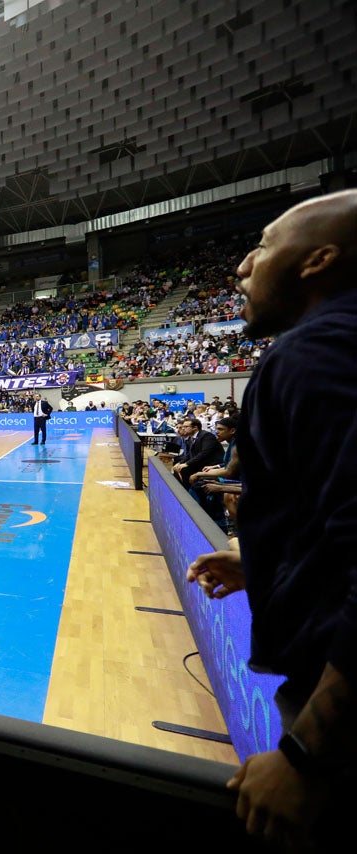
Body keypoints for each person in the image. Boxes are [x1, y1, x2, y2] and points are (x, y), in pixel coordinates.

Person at [186, 190, 357, 848]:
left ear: (316, 260)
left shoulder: (316, 350)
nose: (242, 266)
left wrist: (306, 759)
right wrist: (267, 566)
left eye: (263, 244)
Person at [169, 417, 223, 488]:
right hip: (200, 463)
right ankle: (184, 490)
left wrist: (187, 464)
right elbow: (190, 454)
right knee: (178, 467)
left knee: (184, 469)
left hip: (210, 464)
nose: (183, 428)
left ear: (195, 428)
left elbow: (204, 453)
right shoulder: (192, 437)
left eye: (186, 427)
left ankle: (188, 493)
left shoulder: (206, 436)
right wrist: (181, 463)